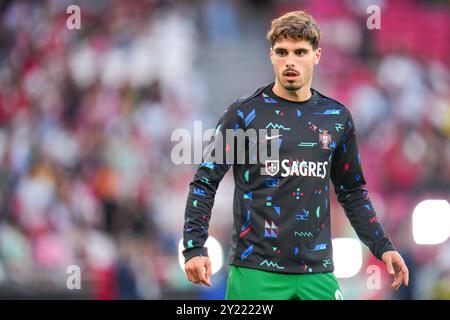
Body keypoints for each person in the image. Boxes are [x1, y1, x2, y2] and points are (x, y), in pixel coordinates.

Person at [182, 10, 409, 300]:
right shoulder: (244, 115)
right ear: (271, 55)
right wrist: (194, 246)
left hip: (318, 273)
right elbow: (205, 181)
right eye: (282, 52)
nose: (290, 60)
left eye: (300, 52)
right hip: (256, 273)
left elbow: (352, 191)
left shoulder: (336, 117)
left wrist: (383, 245)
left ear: (316, 55)